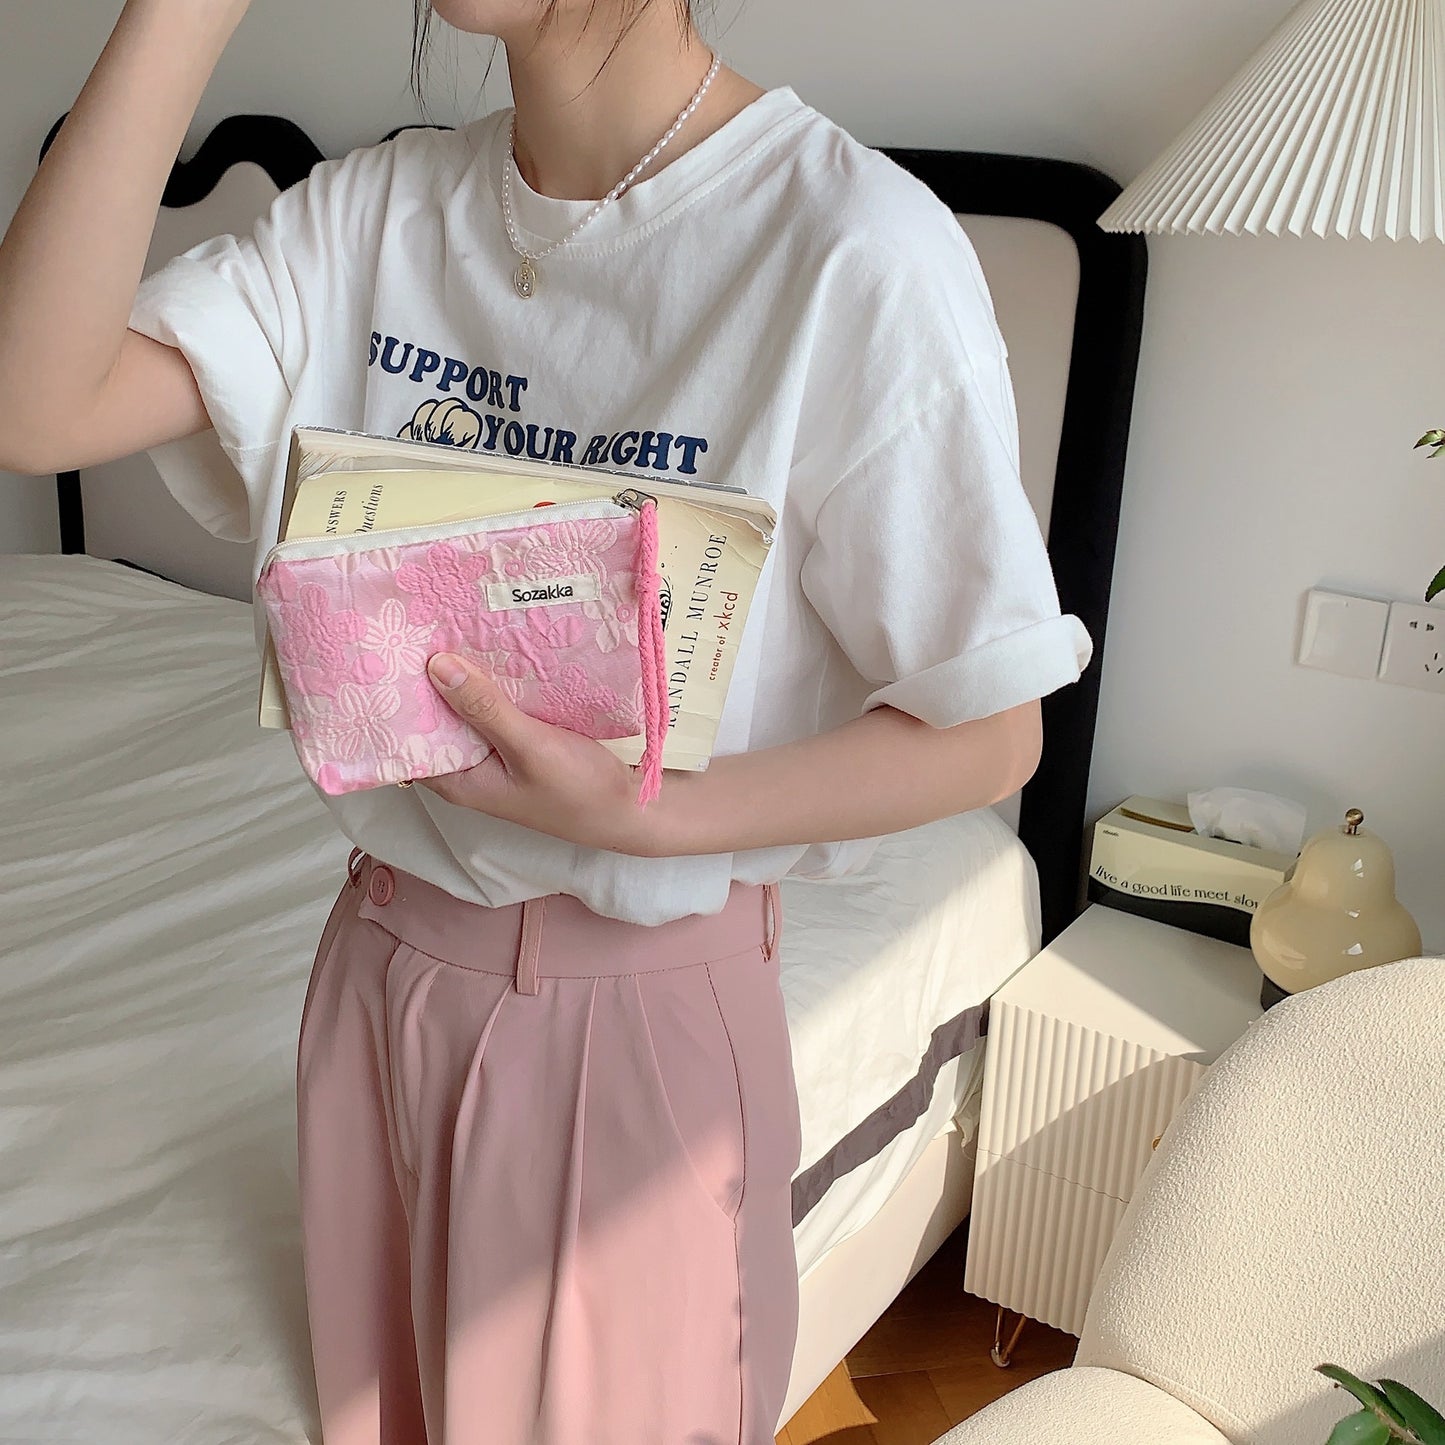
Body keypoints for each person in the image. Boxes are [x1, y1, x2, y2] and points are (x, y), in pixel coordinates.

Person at [0, 1, 1092, 1441]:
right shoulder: (378, 210)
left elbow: (991, 730)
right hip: (374, 967)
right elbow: (34, 406)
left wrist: (643, 811)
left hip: (624, 1010)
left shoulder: (849, 248)